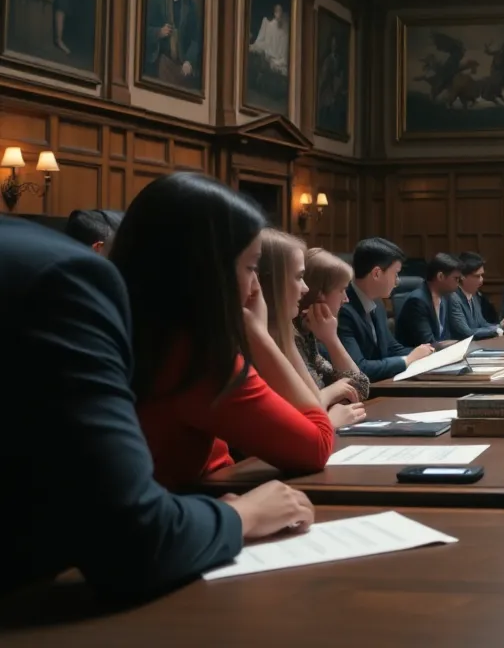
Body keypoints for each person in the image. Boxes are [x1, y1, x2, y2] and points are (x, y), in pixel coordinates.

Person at [1, 214, 314, 602]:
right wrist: (244, 514)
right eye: (251, 268)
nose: (255, 286)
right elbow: (130, 538)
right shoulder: (66, 275)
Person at [111, 173, 334, 490]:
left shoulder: (121, 328)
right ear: (209, 269)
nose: (255, 286)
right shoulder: (195, 356)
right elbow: (317, 445)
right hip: (195, 518)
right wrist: (258, 334)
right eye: (250, 268)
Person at [257, 230, 365, 428]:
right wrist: (332, 398)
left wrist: (331, 339)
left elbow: (359, 389)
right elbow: (306, 416)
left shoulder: (297, 333)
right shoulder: (266, 340)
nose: (304, 288)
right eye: (299, 277)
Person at [337, 237, 433, 382]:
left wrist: (430, 354)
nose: (397, 281)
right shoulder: (342, 308)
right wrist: (407, 360)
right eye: (396, 273)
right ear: (376, 273)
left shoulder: (377, 301)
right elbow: (359, 368)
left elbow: (391, 348)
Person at [297, 247, 371, 401]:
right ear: (318, 293)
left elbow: (360, 389)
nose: (346, 299)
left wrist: (331, 339)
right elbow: (311, 404)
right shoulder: (290, 335)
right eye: (342, 290)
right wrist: (331, 339)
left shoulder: (310, 332)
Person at [397, 252, 462, 347]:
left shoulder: (446, 297)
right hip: (417, 358)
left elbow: (446, 335)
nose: (458, 283)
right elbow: (427, 342)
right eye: (456, 278)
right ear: (440, 276)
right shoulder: (417, 301)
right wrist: (458, 344)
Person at [448, 252, 504, 341]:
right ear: (462, 276)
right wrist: (497, 329)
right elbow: (466, 333)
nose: (481, 280)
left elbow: (482, 323)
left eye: (482, 275)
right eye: (477, 276)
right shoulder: (453, 298)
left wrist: (501, 325)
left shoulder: (474, 295)